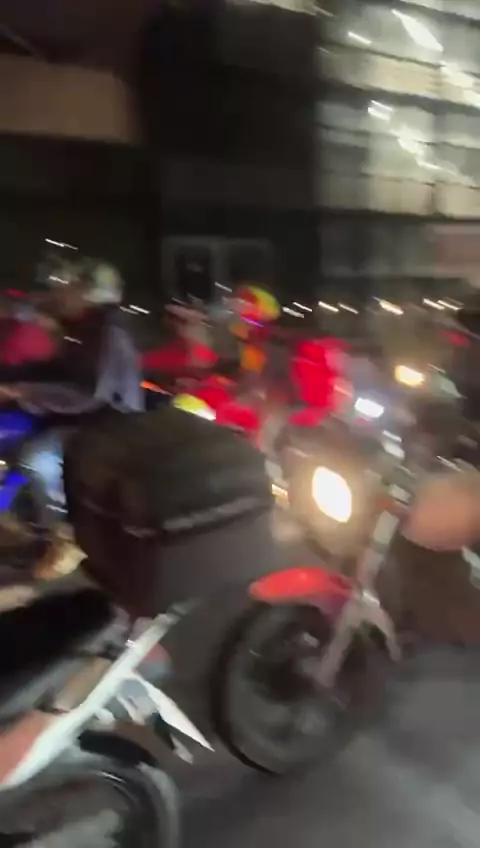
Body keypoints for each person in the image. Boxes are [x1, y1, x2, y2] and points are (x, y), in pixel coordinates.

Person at [0, 258, 143, 580]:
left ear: (87, 292)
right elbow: (55, 369)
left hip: (106, 422)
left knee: (37, 459)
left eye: (67, 286)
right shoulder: (85, 328)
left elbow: (89, 393)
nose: (59, 292)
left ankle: (68, 534)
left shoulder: (108, 333)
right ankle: (22, 518)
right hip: (76, 413)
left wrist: (19, 390)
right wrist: (11, 378)